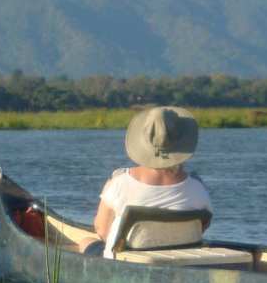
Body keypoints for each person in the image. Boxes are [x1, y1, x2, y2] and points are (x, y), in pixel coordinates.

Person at [80, 106, 212, 256]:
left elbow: (102, 231)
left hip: (123, 260)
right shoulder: (198, 187)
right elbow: (201, 228)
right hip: (181, 258)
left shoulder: (119, 183)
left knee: (85, 241)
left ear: (143, 143)